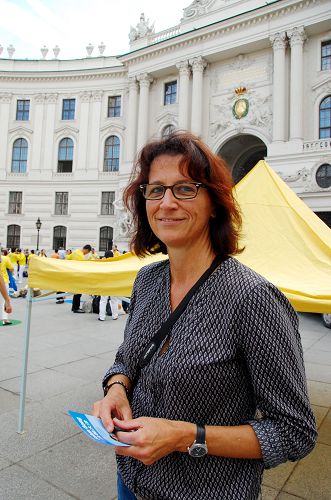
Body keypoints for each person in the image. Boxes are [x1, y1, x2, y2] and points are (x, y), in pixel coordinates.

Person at [92, 132, 317, 500]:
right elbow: (127, 359)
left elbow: (294, 431)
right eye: (155, 189)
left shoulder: (252, 298)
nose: (166, 203)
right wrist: (116, 387)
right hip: (131, 482)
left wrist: (184, 436)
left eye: (184, 189)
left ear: (214, 202)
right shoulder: (147, 280)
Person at [66, 244, 92, 313]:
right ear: (86, 250)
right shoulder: (81, 256)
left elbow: (67, 258)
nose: (87, 254)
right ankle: (76, 308)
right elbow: (81, 268)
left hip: (72, 274)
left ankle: (74, 307)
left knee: (76, 292)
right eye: (88, 252)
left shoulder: (75, 251)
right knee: (78, 293)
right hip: (78, 276)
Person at [98, 250, 122, 322]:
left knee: (103, 301)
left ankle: (102, 317)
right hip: (113, 284)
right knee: (114, 300)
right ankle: (115, 316)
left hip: (104, 283)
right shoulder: (115, 264)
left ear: (105, 256)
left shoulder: (103, 264)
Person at [0, 252, 13, 325]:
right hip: (4, 280)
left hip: (3, 280)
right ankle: (5, 319)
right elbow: (11, 268)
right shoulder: (5, 258)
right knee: (4, 301)